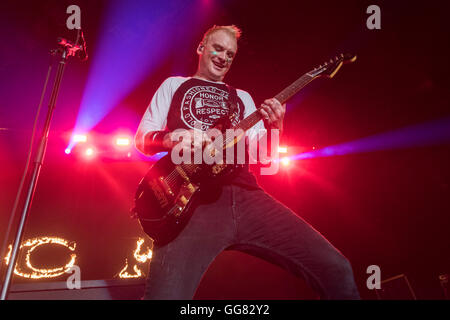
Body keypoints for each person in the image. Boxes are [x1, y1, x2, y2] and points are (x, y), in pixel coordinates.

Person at [134, 25, 360, 299]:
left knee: (337, 268)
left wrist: (276, 126)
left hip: (245, 197)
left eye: (230, 54)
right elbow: (141, 140)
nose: (223, 57)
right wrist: (170, 139)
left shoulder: (241, 98)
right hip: (190, 206)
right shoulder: (174, 85)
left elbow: (267, 160)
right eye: (218, 48)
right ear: (201, 47)